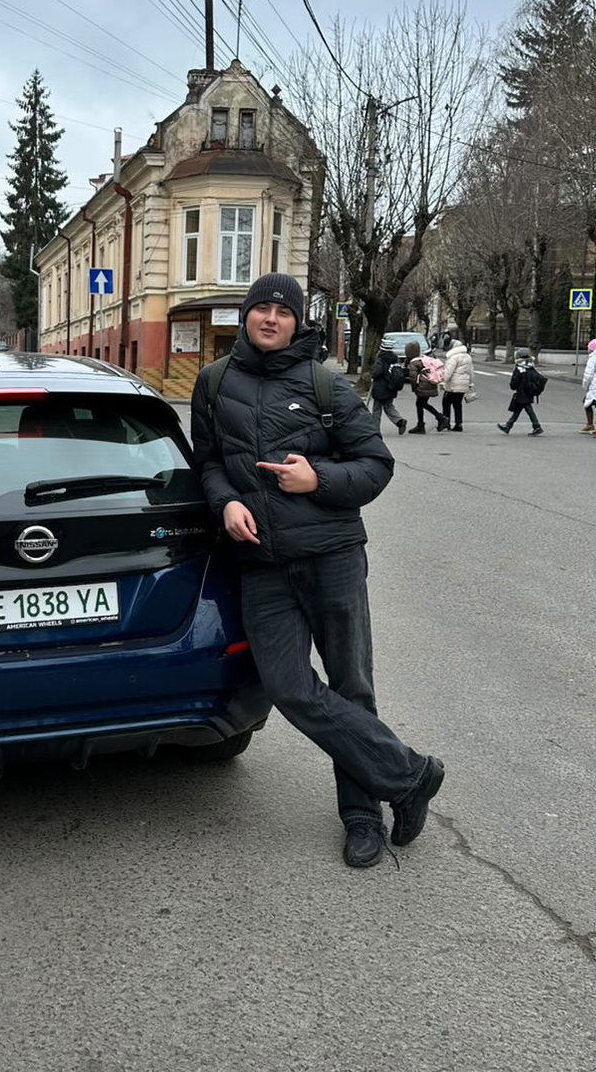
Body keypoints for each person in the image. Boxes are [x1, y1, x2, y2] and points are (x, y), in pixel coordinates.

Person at [191, 273, 445, 870]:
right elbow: (208, 462)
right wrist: (224, 502)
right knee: (286, 686)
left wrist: (317, 479)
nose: (271, 318)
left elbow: (376, 465)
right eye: (262, 308)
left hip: (332, 557)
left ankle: (362, 817)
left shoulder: (325, 384)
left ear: (297, 320)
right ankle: (410, 776)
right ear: (246, 316)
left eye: (283, 311)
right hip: (262, 562)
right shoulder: (214, 381)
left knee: (351, 686)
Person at [497, 348, 545, 435]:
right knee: (518, 410)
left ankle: (537, 426)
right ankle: (508, 426)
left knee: (528, 410)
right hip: (529, 392)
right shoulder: (531, 366)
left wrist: (513, 386)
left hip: (521, 393)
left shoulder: (519, 368)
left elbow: (514, 383)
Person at [405, 340, 446, 433]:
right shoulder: (423, 359)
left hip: (422, 386)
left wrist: (414, 388)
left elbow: (413, 377)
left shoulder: (413, 363)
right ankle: (435, 419)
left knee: (420, 404)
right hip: (429, 384)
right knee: (422, 404)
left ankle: (437, 419)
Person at [369, 339, 408, 436]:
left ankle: (375, 429)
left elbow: (376, 373)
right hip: (391, 388)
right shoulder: (394, 359)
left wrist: (372, 373)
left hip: (380, 389)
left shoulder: (381, 360)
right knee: (388, 406)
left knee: (377, 409)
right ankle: (399, 421)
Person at [441, 338, 474, 432]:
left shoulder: (453, 357)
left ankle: (446, 422)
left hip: (453, 384)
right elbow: (471, 371)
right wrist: (470, 383)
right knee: (458, 404)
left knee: (446, 403)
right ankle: (459, 424)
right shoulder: (468, 357)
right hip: (463, 384)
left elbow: (448, 372)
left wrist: (443, 381)